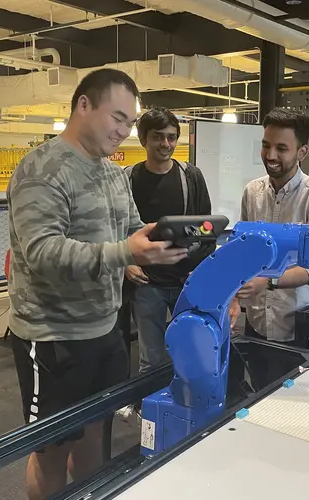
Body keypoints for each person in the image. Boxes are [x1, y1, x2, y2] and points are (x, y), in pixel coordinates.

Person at [6, 69, 188, 500]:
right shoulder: (41, 169)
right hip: (53, 337)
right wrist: (127, 252)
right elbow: (42, 254)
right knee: (51, 450)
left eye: (129, 123)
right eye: (118, 119)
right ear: (84, 105)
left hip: (105, 330)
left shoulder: (111, 173)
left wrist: (166, 235)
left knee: (94, 439)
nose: (125, 132)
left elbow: (128, 228)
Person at [229, 107, 309, 345]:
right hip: (256, 318)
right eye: (266, 145)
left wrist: (267, 281)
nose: (270, 155)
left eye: (281, 148)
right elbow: (242, 251)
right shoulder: (252, 192)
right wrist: (234, 299)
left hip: (298, 321)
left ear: (302, 152)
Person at [124, 106, 212, 373]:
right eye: (158, 137)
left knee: (191, 350)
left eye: (171, 137)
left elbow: (206, 229)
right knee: (150, 359)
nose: (166, 143)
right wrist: (125, 263)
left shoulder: (191, 177)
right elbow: (115, 230)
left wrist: (196, 270)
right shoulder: (127, 178)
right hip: (146, 284)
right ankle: (151, 411)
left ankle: (187, 408)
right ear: (143, 140)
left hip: (185, 280)